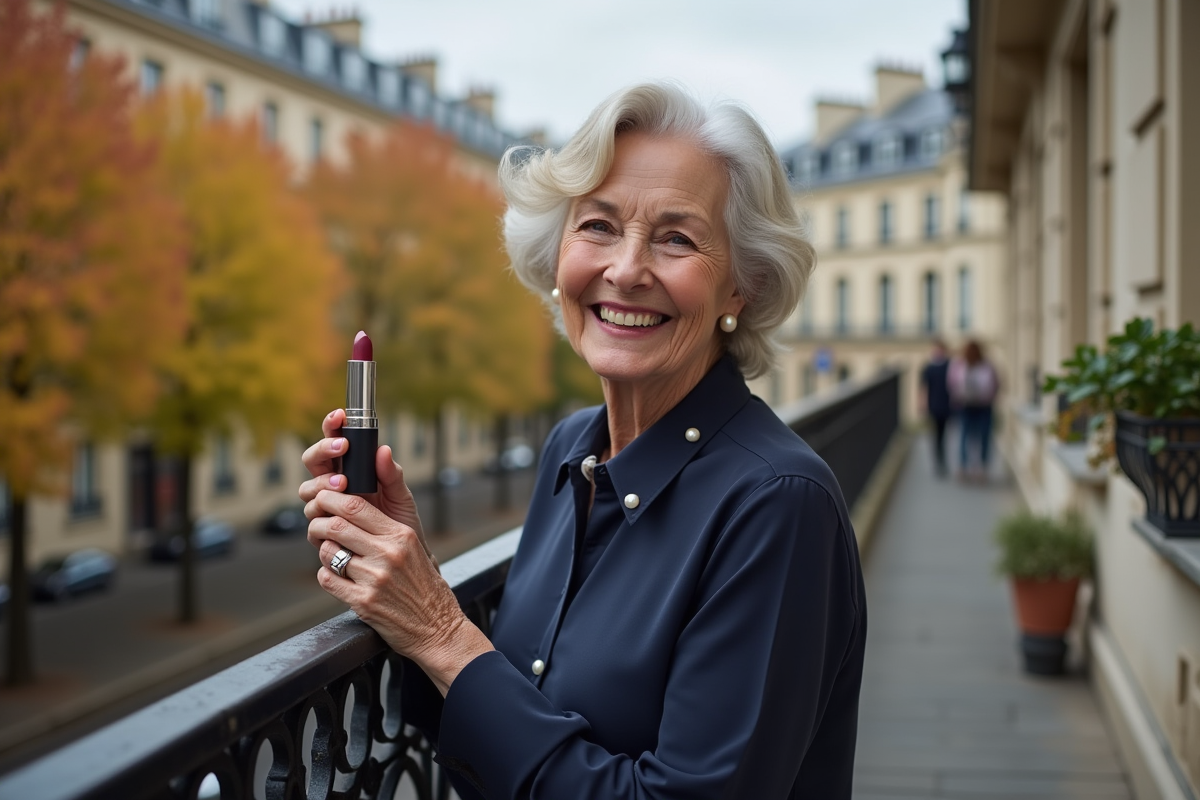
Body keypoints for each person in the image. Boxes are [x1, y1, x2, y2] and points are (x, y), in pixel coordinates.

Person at [300, 82, 867, 800]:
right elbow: (515, 732)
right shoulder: (573, 448)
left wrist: (443, 633)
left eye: (677, 238)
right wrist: (408, 579)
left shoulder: (778, 504)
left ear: (740, 287)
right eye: (598, 226)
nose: (625, 270)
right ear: (557, 255)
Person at [947, 339, 999, 480]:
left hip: (983, 405)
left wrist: (988, 395)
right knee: (964, 436)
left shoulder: (987, 366)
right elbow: (952, 384)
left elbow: (996, 383)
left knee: (983, 436)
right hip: (966, 405)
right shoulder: (959, 365)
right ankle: (964, 466)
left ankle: (981, 467)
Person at [919, 338, 953, 476]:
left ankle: (942, 461)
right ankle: (939, 461)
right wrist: (923, 403)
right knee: (937, 435)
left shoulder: (950, 365)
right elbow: (924, 387)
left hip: (946, 404)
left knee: (944, 434)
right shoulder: (929, 367)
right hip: (934, 404)